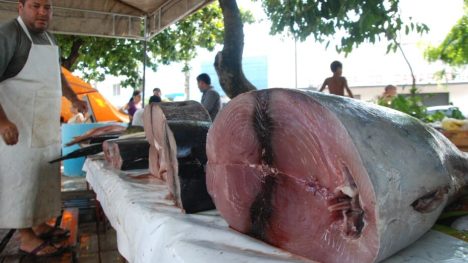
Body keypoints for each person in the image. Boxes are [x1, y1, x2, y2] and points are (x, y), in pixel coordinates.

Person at [0, 0, 87, 257]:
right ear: (21, 7)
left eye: (47, 7)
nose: (42, 12)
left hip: (44, 124)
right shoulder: (8, 35)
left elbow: (56, 75)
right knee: (22, 179)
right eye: (35, 5)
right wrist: (3, 122)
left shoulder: (50, 39)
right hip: (17, 127)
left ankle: (39, 224)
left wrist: (73, 98)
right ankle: (25, 235)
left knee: (43, 175)